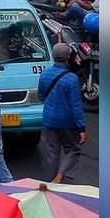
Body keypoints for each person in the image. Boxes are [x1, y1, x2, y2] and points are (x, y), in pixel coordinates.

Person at [38, 43, 87, 183]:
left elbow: (41, 96)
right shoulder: (72, 78)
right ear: (68, 57)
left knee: (52, 154)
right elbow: (76, 106)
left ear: (53, 56)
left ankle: (48, 183)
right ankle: (60, 176)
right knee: (73, 149)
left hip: (49, 121)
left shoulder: (45, 74)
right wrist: (81, 127)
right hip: (67, 123)